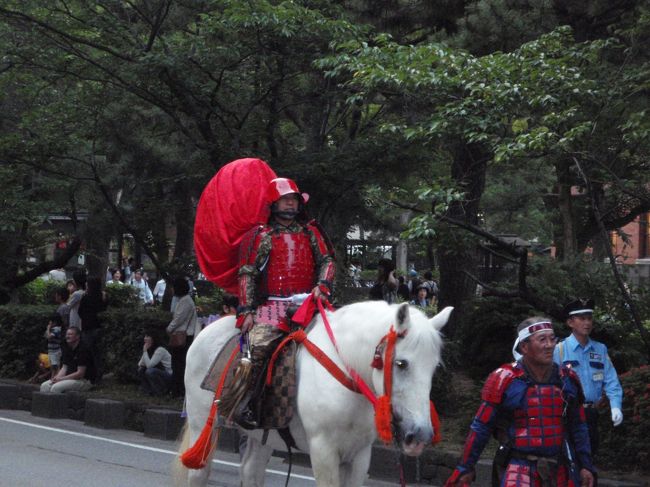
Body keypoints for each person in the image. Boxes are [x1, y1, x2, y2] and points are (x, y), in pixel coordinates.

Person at [219, 177, 335, 429]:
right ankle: (241, 403)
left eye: (293, 199)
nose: (290, 204)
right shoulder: (261, 236)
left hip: (310, 302)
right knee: (257, 346)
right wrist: (247, 310)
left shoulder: (311, 232)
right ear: (273, 204)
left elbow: (327, 260)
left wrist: (323, 285)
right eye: (285, 200)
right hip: (275, 305)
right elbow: (248, 272)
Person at [445, 317, 595, 487]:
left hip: (560, 467)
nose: (550, 345)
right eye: (542, 339)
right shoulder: (504, 379)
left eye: (552, 338)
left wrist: (586, 465)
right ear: (524, 347)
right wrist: (465, 467)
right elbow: (481, 427)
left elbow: (579, 426)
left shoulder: (567, 379)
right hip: (519, 468)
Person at [554, 298, 623, 457]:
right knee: (569, 464)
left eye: (590, 318)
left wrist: (615, 405)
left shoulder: (600, 349)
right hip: (568, 416)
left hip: (591, 415)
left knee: (590, 462)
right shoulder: (559, 350)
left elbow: (611, 380)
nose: (587, 323)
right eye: (582, 318)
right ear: (570, 322)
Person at [166, 276, 199, 397]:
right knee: (179, 364)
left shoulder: (185, 301)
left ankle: (177, 391)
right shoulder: (187, 300)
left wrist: (168, 329)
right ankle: (178, 390)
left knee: (178, 365)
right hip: (185, 335)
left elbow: (178, 319)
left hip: (183, 336)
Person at [40, 327, 95, 393]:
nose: (67, 336)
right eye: (67, 334)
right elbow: (64, 368)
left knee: (55, 388)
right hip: (69, 378)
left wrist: (61, 379)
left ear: (77, 336)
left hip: (84, 380)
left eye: (70, 334)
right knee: (44, 385)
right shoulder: (67, 348)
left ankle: (58, 403)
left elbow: (80, 373)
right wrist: (56, 378)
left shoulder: (83, 350)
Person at [78, 276, 107, 385]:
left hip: (87, 328)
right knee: (97, 353)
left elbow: (80, 312)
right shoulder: (103, 296)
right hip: (98, 327)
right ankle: (99, 374)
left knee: (87, 351)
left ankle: (90, 375)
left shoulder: (86, 297)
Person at [137, 331, 173, 396]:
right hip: (160, 371)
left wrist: (145, 350)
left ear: (153, 339)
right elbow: (140, 364)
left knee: (150, 371)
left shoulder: (160, 350)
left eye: (147, 336)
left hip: (169, 375)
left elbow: (149, 366)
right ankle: (148, 391)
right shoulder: (149, 349)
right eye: (145, 336)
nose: (145, 338)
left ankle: (161, 391)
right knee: (141, 370)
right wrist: (146, 351)